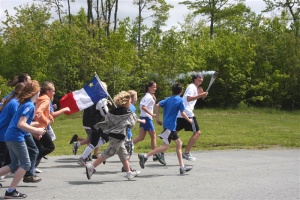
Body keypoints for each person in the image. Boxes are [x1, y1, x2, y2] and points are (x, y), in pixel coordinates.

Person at [0, 80, 46, 198]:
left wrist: (36, 130)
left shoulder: (24, 103)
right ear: (35, 92)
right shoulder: (29, 105)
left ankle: (11, 190)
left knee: (15, 164)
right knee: (25, 164)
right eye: (39, 92)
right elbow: (21, 124)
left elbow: (22, 123)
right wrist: (37, 130)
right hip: (15, 136)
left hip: (10, 136)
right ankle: (10, 191)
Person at [138, 83, 193, 174]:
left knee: (178, 143)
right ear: (181, 91)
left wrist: (158, 118)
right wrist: (189, 120)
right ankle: (145, 156)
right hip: (170, 126)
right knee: (165, 146)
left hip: (168, 125)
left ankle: (182, 167)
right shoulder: (180, 100)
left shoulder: (168, 99)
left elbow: (157, 105)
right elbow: (183, 113)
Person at [85, 91, 140, 180]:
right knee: (109, 152)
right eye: (129, 102)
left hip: (112, 134)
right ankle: (92, 167)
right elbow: (132, 124)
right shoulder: (129, 113)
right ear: (126, 102)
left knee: (123, 154)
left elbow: (107, 122)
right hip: (119, 136)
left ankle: (129, 172)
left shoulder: (111, 112)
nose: (130, 103)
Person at [33, 81, 69, 169]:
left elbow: (40, 110)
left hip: (38, 126)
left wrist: (49, 115)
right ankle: (30, 163)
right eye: (53, 91)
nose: (54, 93)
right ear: (47, 91)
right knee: (50, 147)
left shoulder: (42, 98)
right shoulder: (46, 100)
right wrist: (46, 120)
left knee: (38, 148)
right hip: (40, 127)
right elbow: (38, 112)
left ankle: (30, 169)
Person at [176, 72, 208, 161]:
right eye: (199, 77)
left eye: (202, 78)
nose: (201, 79)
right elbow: (188, 98)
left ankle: (160, 151)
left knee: (173, 132)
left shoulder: (193, 87)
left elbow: (190, 97)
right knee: (197, 132)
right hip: (188, 113)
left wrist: (199, 94)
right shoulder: (192, 87)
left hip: (182, 113)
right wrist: (200, 95)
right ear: (194, 79)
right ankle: (186, 153)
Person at [133, 81, 160, 162]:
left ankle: (127, 145)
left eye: (156, 87)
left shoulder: (150, 96)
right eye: (154, 87)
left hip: (143, 117)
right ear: (149, 87)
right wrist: (151, 114)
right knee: (153, 136)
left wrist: (154, 99)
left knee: (141, 137)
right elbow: (143, 106)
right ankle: (154, 155)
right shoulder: (147, 96)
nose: (155, 88)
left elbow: (147, 105)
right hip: (147, 118)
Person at [121, 90, 145, 172]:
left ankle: (126, 166)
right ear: (131, 98)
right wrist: (141, 121)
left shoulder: (123, 106)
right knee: (130, 149)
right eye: (135, 97)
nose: (136, 99)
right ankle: (126, 167)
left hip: (123, 130)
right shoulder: (132, 107)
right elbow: (132, 118)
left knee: (126, 149)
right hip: (127, 131)